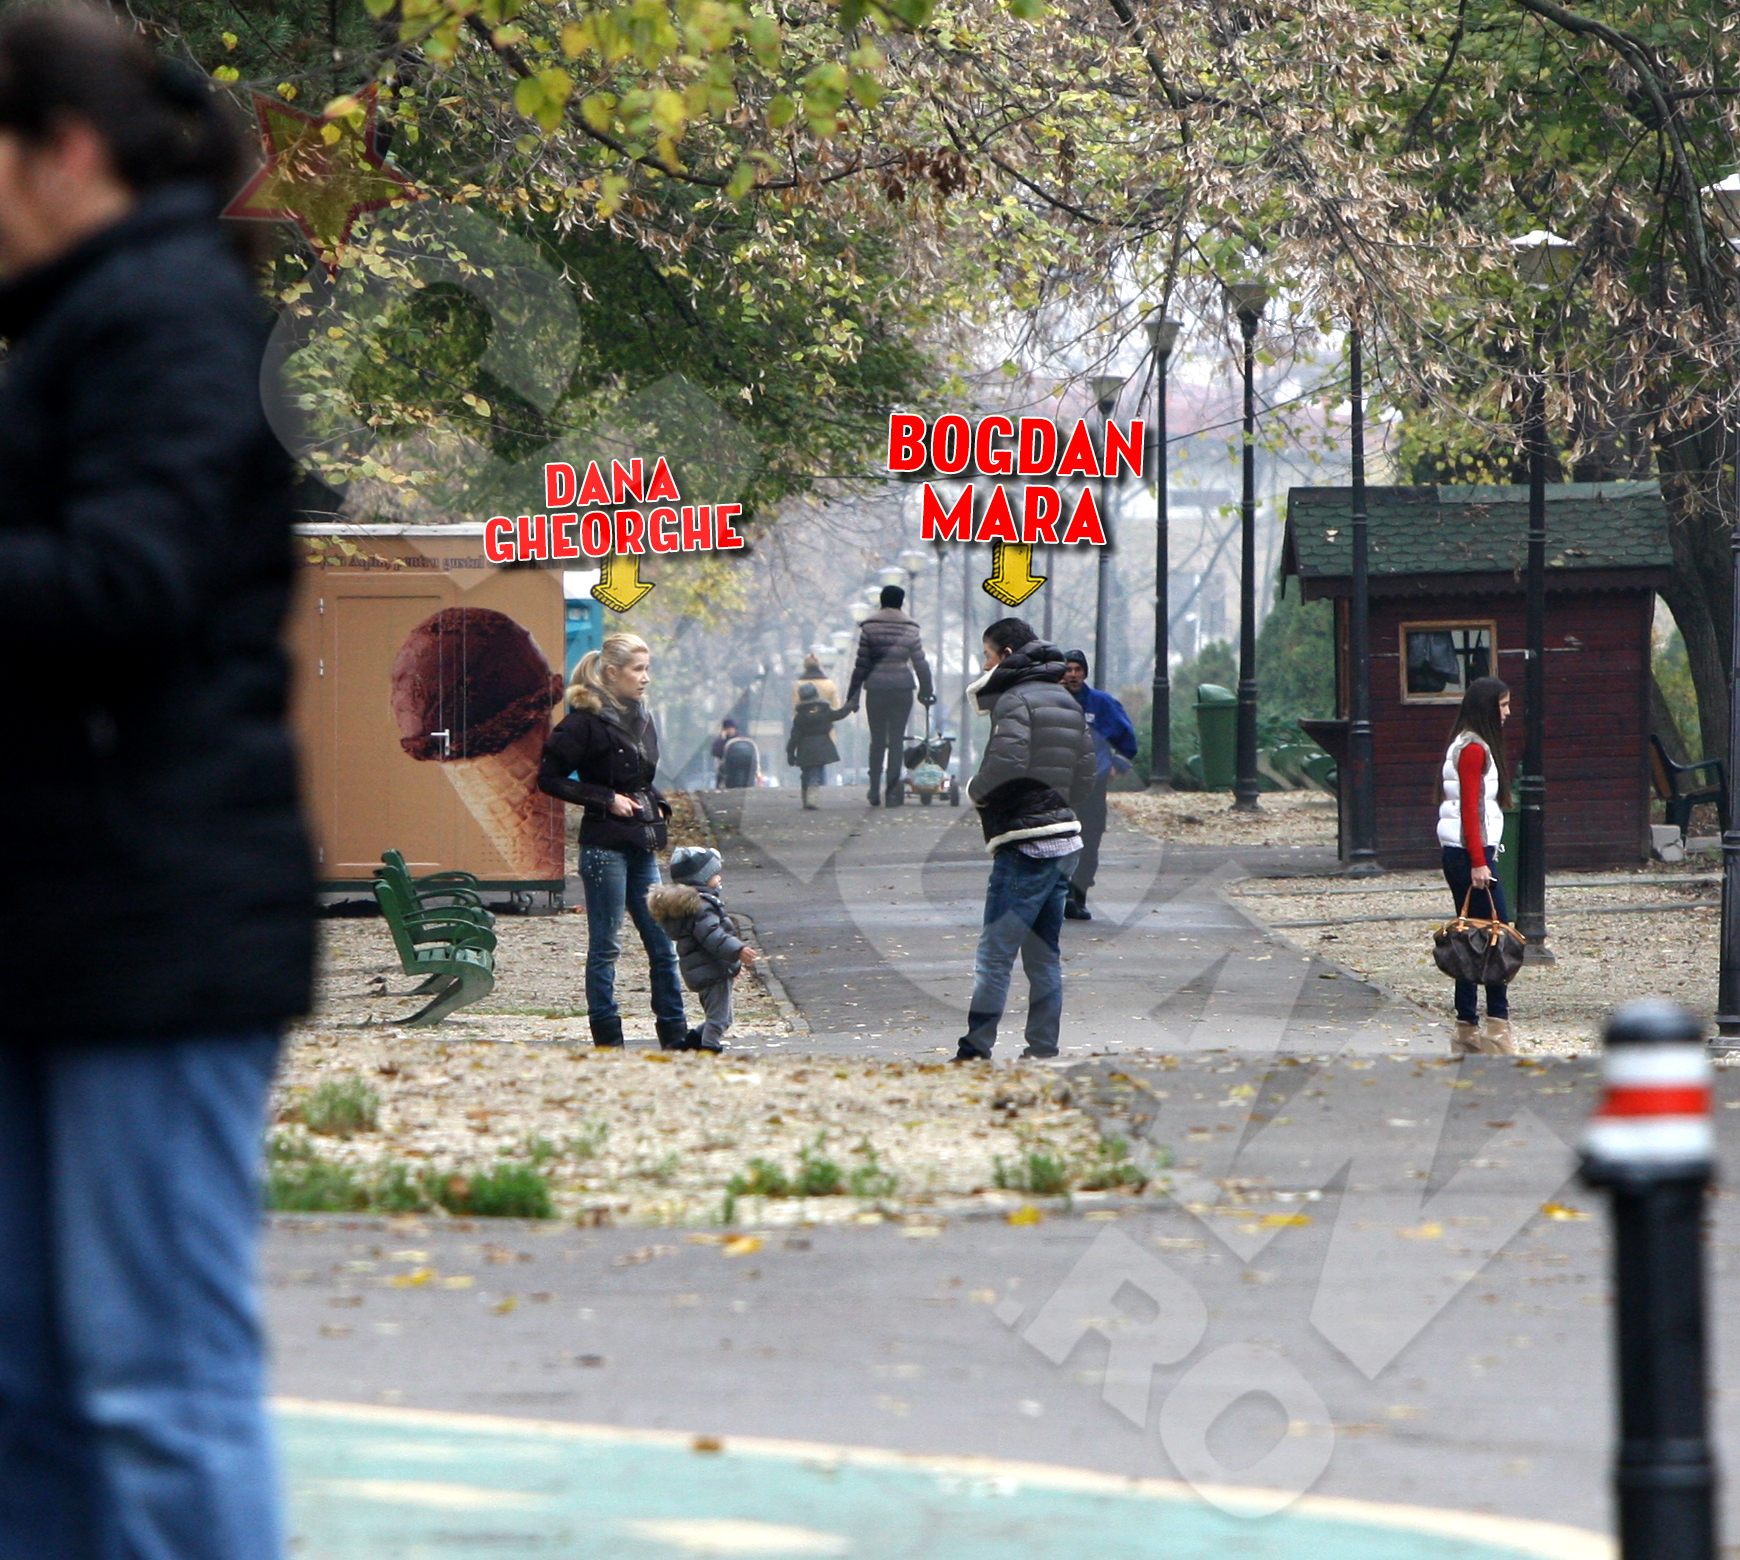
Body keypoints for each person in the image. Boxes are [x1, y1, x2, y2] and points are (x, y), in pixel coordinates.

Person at [0, 9, 315, 1558]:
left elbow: (130, 583)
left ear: (62, 153)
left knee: (148, 1383)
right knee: (37, 1388)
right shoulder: (82, 323)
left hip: (151, 920)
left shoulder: (172, 318)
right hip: (69, 915)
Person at [539, 632, 693, 1051]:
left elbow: (640, 779)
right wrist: (605, 797)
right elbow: (548, 778)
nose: (645, 678)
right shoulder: (582, 722)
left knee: (663, 944)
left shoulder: (642, 716)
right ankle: (608, 1035)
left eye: (647, 669)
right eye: (637, 669)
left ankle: (675, 1032)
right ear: (612, 673)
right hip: (604, 848)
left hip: (641, 843)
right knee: (606, 945)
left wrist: (656, 801)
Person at [956, 619, 1097, 1062]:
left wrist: (975, 792)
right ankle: (1042, 1045)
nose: (984, 663)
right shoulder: (1066, 699)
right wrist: (1057, 802)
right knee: (1043, 955)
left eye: (987, 654)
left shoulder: (1015, 699)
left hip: (1026, 842)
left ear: (1008, 652)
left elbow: (1006, 764)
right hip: (1065, 841)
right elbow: (1087, 773)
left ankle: (976, 1049)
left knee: (995, 955)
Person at [1437, 675, 1516, 1056]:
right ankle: (1497, 1027)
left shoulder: (1467, 745)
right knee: (1497, 936)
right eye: (1502, 705)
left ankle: (1467, 1027)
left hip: (1463, 851)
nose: (1507, 712)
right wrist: (1479, 862)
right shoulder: (1474, 750)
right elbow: (1471, 808)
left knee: (1471, 938)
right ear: (1487, 707)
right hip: (1472, 854)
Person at [647, 846, 759, 1053]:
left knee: (724, 1018)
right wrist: (738, 950)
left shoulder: (697, 906)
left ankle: (686, 1045)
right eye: (714, 874)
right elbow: (714, 937)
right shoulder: (702, 908)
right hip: (711, 970)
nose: (719, 878)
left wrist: (732, 965)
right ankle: (709, 1050)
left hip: (708, 968)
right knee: (718, 1020)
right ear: (700, 878)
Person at [1060, 650, 1138, 921]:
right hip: (1057, 786)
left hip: (1092, 785)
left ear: (1085, 673)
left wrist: (1118, 765)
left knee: (1089, 840)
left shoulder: (1102, 705)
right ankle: (1059, 895)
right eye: (1067, 669)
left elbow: (1127, 740)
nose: (1072, 675)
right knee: (1057, 840)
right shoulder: (1050, 703)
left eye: (1077, 670)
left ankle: (1078, 896)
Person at [845, 584, 935, 807]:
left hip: (875, 688)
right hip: (902, 688)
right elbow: (920, 663)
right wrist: (926, 691)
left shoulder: (869, 628)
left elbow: (861, 665)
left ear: (881, 601)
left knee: (877, 740)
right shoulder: (911, 628)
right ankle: (893, 792)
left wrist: (853, 697)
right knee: (896, 740)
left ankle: (874, 789)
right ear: (901, 602)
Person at [786, 680, 852, 808]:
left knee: (806, 773)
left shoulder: (800, 716)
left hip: (804, 748)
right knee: (815, 773)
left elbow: (794, 737)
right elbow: (839, 714)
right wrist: (850, 706)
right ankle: (812, 799)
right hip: (822, 747)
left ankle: (806, 798)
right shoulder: (824, 710)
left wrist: (790, 753)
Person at [710, 717, 739, 787]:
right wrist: (722, 739)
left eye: (732, 728)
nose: (730, 730)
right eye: (728, 729)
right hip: (724, 767)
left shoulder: (739, 739)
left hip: (737, 767)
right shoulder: (722, 740)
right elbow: (715, 752)